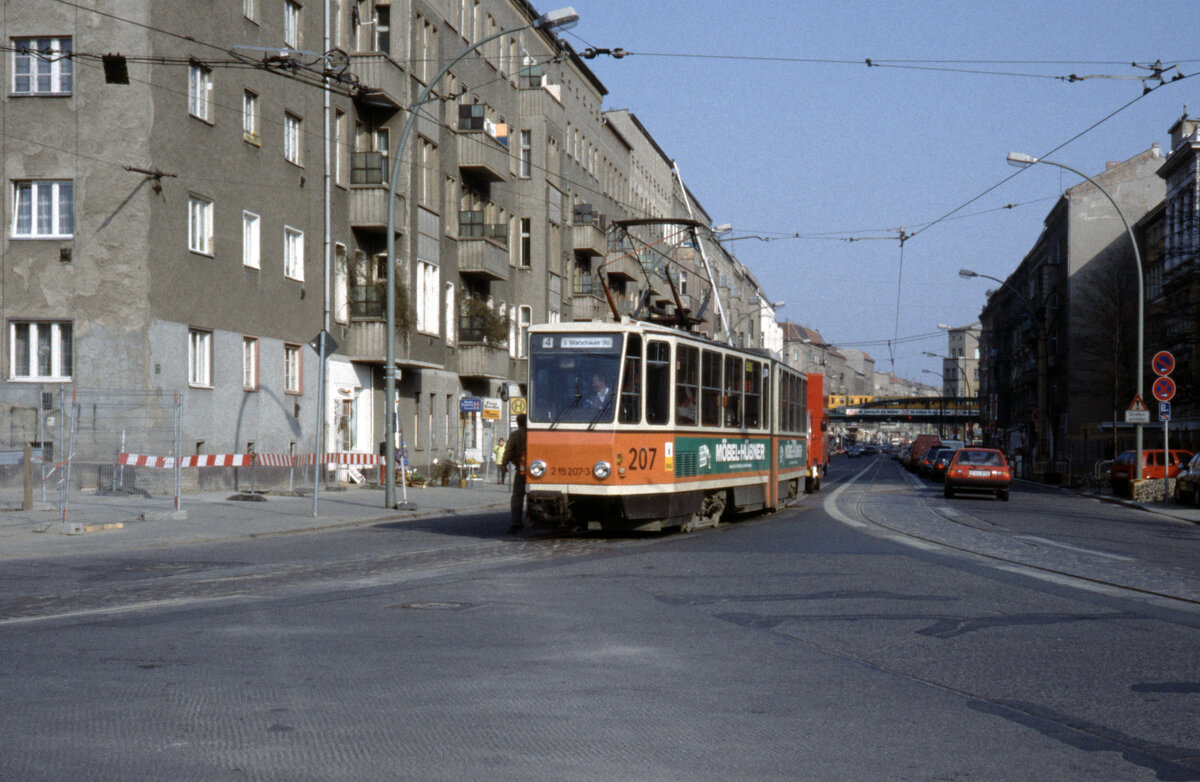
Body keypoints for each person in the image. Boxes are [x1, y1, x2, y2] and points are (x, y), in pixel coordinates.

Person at [501, 414, 527, 533]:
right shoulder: (534, 433)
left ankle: (516, 522)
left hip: (521, 470)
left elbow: (508, 451)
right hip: (538, 469)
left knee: (517, 496)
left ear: (518, 423)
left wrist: (504, 464)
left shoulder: (515, 435)